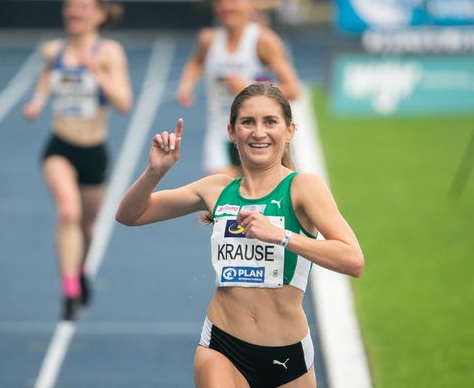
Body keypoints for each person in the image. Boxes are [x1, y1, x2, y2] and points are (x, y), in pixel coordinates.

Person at [116, 83, 364, 387]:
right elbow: (130, 215)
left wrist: (281, 236)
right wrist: (154, 173)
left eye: (270, 122)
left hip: (287, 357)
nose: (258, 132)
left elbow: (353, 260)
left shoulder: (303, 189)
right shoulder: (216, 189)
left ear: (290, 131)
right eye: (248, 122)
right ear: (232, 131)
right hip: (222, 345)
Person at [22, 0, 132, 320]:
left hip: (94, 151)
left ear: (99, 14)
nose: (75, 12)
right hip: (60, 147)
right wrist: (37, 102)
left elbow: (125, 104)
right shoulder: (52, 50)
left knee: (86, 227)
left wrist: (95, 71)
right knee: (67, 212)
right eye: (70, 6)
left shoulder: (109, 52)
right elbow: (45, 79)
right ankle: (69, 289)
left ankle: (79, 268)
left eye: (84, 7)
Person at [176, 0, 301, 176]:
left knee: (258, 200)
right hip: (220, 133)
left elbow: (293, 89)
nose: (227, 6)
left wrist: (247, 88)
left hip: (258, 135)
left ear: (248, 3)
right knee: (220, 198)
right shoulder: (208, 39)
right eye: (220, 1)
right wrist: (185, 85)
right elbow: (196, 62)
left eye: (233, 0)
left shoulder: (263, 41)